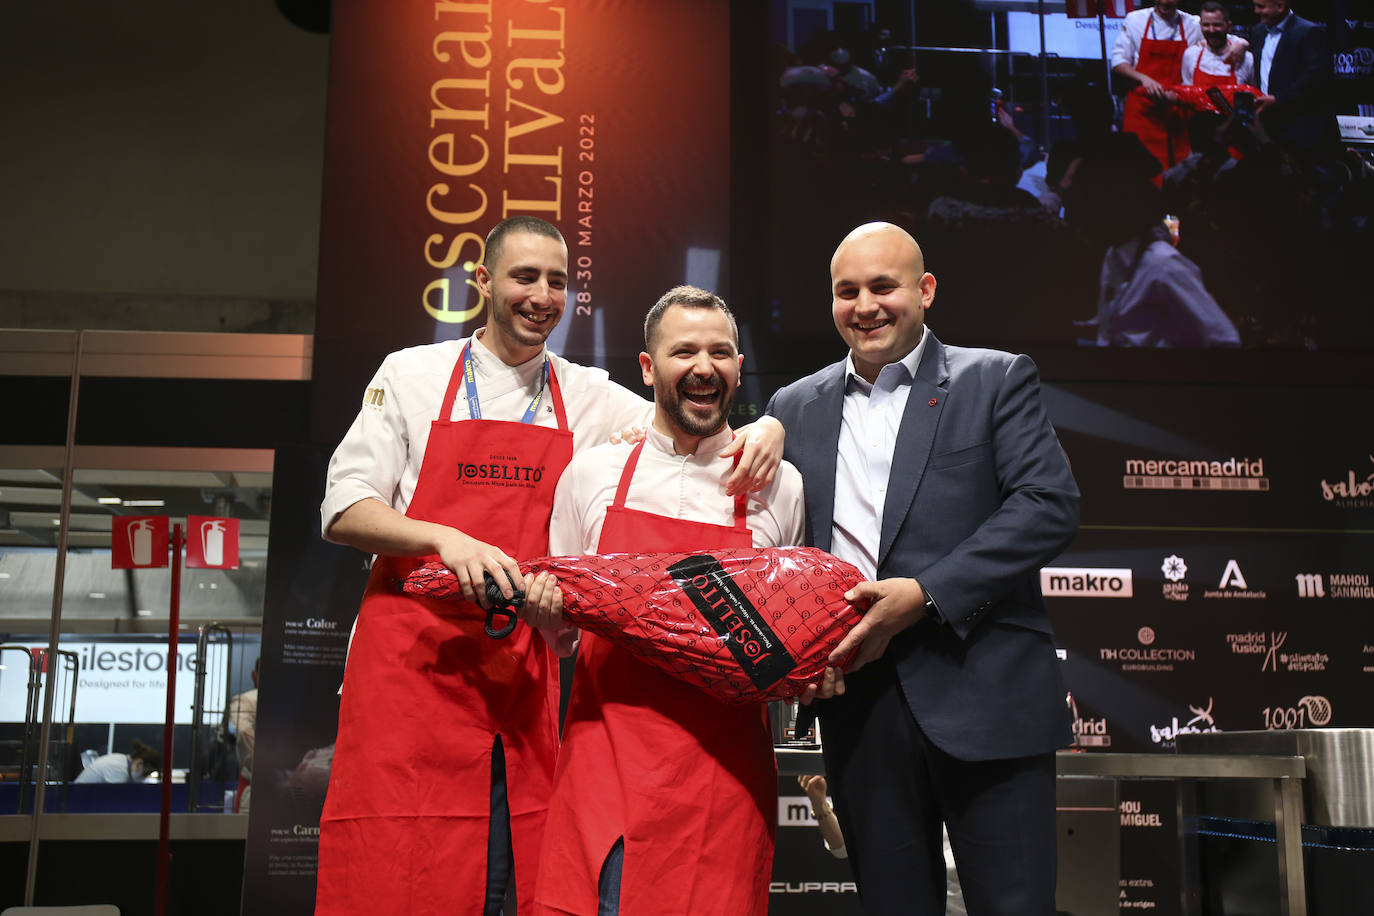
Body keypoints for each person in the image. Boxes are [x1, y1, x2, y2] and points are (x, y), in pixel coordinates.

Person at [315, 219, 785, 916]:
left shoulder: (587, 394)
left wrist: (770, 424)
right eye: (524, 277)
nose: (541, 296)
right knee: (396, 871)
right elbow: (343, 507)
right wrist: (446, 540)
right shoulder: (411, 374)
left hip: (518, 665)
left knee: (509, 874)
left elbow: (691, 415)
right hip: (410, 667)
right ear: (483, 282)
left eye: (556, 282)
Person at [765, 222, 1081, 914]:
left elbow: (1047, 506)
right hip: (860, 707)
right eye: (847, 291)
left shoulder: (993, 378)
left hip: (987, 695)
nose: (865, 306)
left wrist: (926, 593)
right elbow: (777, 548)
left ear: (926, 290)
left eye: (883, 286)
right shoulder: (792, 407)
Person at [528, 286, 810, 916]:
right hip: (608, 771)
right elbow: (563, 634)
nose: (704, 367)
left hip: (724, 784)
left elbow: (785, 639)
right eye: (684, 352)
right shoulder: (593, 475)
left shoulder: (779, 486)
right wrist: (544, 614)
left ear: (739, 366)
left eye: (720, 352)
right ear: (649, 368)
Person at [1113, 0, 1205, 170]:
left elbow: (1221, 38)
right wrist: (1143, 78)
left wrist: (1240, 44)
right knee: (1139, 170)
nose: (1164, 2)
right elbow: (1119, 61)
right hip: (1142, 111)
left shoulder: (1193, 24)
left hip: (1176, 112)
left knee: (1178, 173)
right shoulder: (1135, 19)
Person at [1251, 0, 1336, 154]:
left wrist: (1278, 99)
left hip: (1300, 127)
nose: (1256, 11)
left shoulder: (1308, 32)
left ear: (1280, 6)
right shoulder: (1258, 32)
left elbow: (1316, 77)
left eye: (1261, 7)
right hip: (1266, 125)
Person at [1181, 2, 1256, 88]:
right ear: (1200, 26)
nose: (1211, 30)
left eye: (1217, 25)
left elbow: (1254, 92)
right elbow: (1187, 91)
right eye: (1206, 25)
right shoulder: (1191, 55)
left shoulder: (1246, 59)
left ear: (1229, 26)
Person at [225, 656, 258, 812]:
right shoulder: (247, 701)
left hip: (254, 785)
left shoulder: (246, 700)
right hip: (257, 785)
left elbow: (244, 732)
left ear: (254, 675)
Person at [75, 739, 161, 783]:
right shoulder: (119, 770)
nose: (143, 778)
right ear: (139, 763)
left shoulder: (121, 759)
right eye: (144, 774)